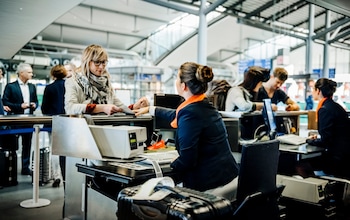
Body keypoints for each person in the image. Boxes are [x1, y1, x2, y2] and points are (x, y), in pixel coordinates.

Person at [134, 62, 239, 199]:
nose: (176, 81)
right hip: (228, 177)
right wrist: (151, 109)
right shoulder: (204, 106)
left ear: (183, 85)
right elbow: (177, 115)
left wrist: (170, 164)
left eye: (177, 78)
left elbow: (187, 160)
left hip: (209, 186)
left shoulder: (190, 113)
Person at [65, 44, 148, 115]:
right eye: (97, 62)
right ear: (87, 62)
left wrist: (135, 106)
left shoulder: (106, 83)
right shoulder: (73, 81)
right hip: (84, 130)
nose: (101, 66)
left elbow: (118, 106)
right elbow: (70, 108)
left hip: (106, 129)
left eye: (104, 62)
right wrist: (102, 108)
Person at [304, 78, 350, 178]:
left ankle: (315, 189)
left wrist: (310, 141)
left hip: (337, 159)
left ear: (318, 91)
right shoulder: (336, 106)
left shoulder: (324, 109)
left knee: (301, 164)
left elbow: (326, 141)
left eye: (313, 89)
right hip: (344, 155)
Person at [2, 63, 39, 176]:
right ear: (21, 73)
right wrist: (20, 106)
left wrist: (34, 105)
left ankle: (25, 167)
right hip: (15, 120)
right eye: (29, 72)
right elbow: (5, 102)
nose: (32, 74)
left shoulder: (32, 86)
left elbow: (36, 101)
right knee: (13, 145)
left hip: (29, 120)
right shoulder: (10, 86)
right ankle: (11, 168)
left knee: (27, 145)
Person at [41, 64, 67, 187]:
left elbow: (44, 108)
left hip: (53, 123)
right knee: (67, 150)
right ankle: (67, 175)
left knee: (55, 150)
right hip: (68, 123)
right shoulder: (69, 86)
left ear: (53, 75)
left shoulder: (49, 88)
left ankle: (57, 176)